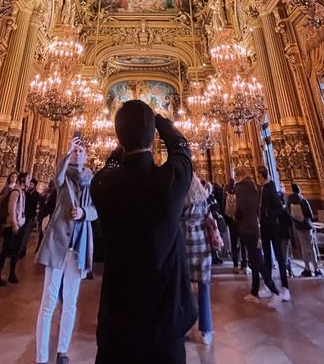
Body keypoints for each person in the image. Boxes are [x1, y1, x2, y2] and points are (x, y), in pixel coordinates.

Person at [91, 100, 196, 364]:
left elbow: (111, 165)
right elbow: (182, 148)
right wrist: (161, 122)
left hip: (118, 320)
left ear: (119, 137)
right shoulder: (169, 182)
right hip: (165, 321)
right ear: (153, 136)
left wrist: (125, 139)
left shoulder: (102, 185)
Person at [35, 137, 96, 364]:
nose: (77, 154)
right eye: (75, 151)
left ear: (87, 156)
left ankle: (62, 351)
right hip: (58, 244)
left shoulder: (91, 180)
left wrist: (85, 213)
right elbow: (57, 176)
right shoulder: (63, 179)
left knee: (71, 300)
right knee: (49, 301)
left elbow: (96, 210)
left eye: (81, 151)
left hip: (78, 246)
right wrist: (66, 151)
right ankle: (41, 357)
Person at [234, 166, 279, 304]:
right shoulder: (254, 187)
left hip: (246, 228)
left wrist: (235, 215)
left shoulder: (240, 188)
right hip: (254, 226)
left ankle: (274, 290)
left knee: (257, 261)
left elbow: (239, 210)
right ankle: (255, 291)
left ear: (237, 175)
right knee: (255, 260)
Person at [181, 175, 215, 346]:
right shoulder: (203, 201)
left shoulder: (181, 202)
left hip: (185, 247)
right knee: (203, 288)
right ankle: (206, 330)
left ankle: (186, 325)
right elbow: (210, 219)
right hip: (203, 248)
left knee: (185, 289)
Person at [258, 165, 291, 301]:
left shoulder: (270, 188)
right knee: (267, 257)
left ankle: (285, 288)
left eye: (258, 175)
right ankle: (268, 285)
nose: (257, 178)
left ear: (262, 175)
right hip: (265, 227)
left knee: (279, 256)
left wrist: (267, 214)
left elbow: (280, 209)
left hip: (273, 227)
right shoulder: (262, 188)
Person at [0, 170, 25, 286]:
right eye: (28, 179)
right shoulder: (15, 192)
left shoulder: (21, 191)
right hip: (11, 225)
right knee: (6, 251)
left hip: (17, 224)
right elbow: (12, 208)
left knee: (14, 251)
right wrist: (14, 223)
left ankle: (11, 274)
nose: (29, 181)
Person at [287, 183, 322, 277]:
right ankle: (316, 268)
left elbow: (288, 212)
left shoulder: (290, 201)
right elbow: (310, 214)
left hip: (298, 226)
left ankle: (307, 269)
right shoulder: (303, 200)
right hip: (307, 225)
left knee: (303, 247)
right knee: (311, 247)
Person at [225, 176, 247, 274]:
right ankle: (244, 264)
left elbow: (223, 208)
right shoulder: (240, 193)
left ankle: (235, 264)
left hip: (231, 222)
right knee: (242, 243)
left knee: (234, 244)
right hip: (240, 221)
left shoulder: (226, 194)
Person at [18, 177, 40, 259]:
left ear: (34, 185)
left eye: (32, 184)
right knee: (21, 233)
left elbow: (37, 206)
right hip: (23, 215)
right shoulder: (25, 193)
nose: (30, 186)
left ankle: (21, 251)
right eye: (30, 184)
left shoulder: (37, 194)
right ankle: (21, 249)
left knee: (26, 234)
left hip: (31, 216)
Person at [36, 179, 56, 250]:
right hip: (45, 214)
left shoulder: (53, 193)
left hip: (48, 214)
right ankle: (40, 247)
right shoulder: (46, 193)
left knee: (44, 232)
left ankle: (41, 247)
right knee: (42, 231)